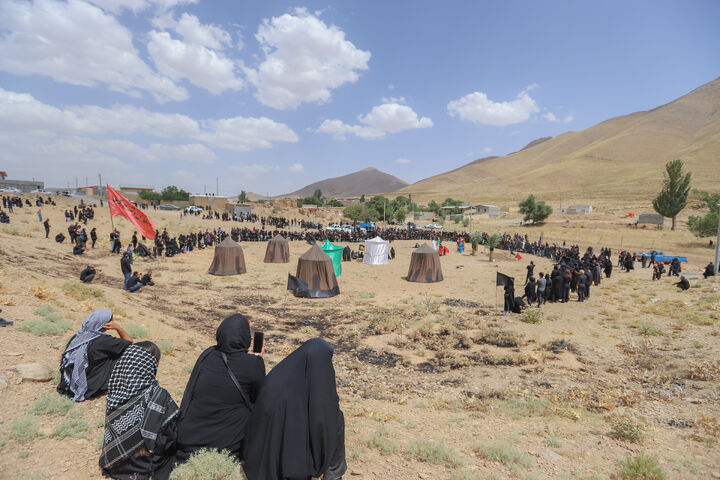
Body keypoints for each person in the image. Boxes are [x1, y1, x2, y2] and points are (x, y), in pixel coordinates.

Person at [243, 338, 346, 480]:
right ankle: (333, 475)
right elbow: (323, 421)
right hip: (293, 469)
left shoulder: (277, 376)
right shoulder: (317, 379)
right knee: (336, 418)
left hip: (256, 463)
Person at [175, 315, 265, 463]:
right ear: (246, 338)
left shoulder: (207, 355)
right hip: (225, 446)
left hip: (188, 440)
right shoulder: (253, 365)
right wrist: (258, 359)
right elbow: (259, 399)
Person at [100, 342, 179, 480]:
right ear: (154, 365)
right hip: (143, 466)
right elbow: (168, 437)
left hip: (114, 464)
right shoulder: (158, 395)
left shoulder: (115, 392)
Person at [58, 309, 133, 402]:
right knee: (126, 354)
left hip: (68, 383)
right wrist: (119, 328)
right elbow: (129, 342)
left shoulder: (78, 337)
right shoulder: (103, 341)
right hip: (88, 387)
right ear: (106, 324)